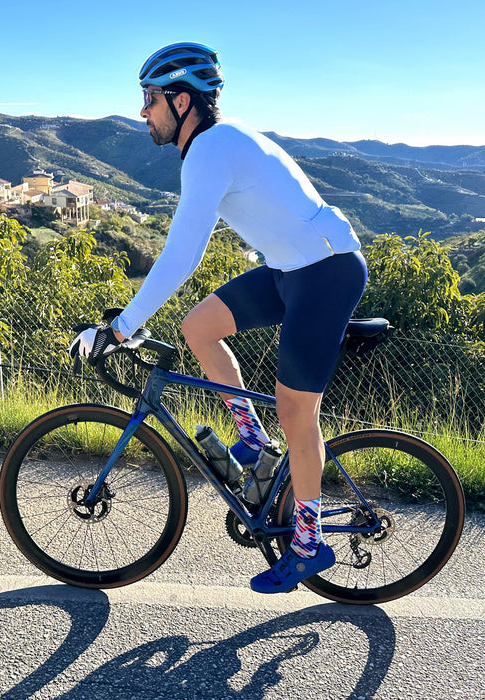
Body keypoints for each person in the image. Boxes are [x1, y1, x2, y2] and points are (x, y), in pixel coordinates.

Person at [70, 42, 367, 594]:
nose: (143, 111)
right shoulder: (212, 145)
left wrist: (121, 327)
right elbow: (191, 252)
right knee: (198, 327)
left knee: (297, 411)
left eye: (150, 98)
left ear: (182, 101)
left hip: (325, 272)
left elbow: (182, 255)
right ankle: (252, 442)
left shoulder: (212, 148)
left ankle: (308, 545)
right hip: (289, 269)